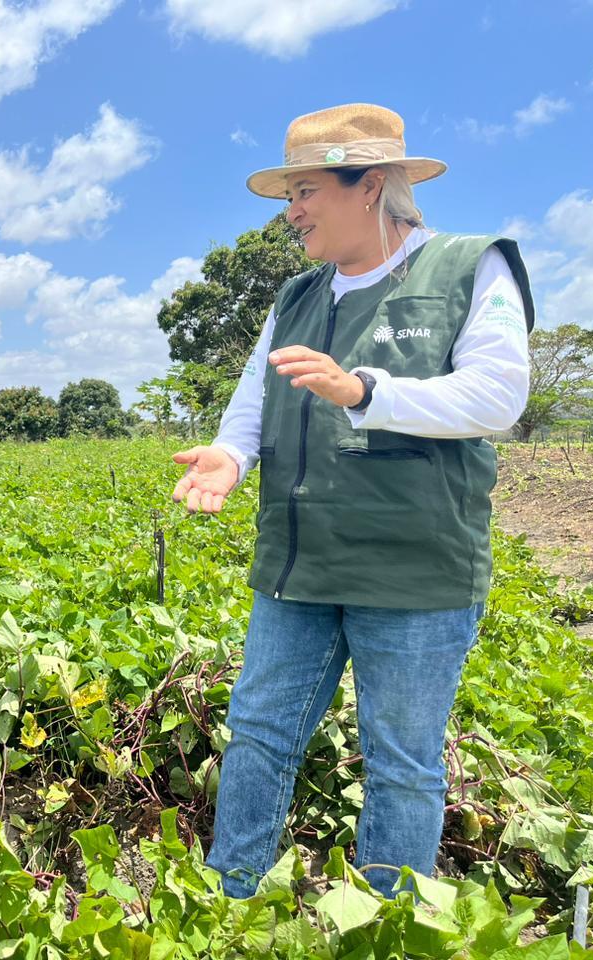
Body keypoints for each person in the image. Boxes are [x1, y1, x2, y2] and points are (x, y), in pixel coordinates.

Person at [171, 104, 533, 897]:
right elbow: (251, 406)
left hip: (414, 574)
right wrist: (229, 459)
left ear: (371, 185)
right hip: (298, 568)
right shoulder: (296, 296)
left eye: (304, 191)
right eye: (286, 195)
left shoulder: (470, 266)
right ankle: (231, 900)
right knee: (261, 734)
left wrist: (366, 389)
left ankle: (388, 921)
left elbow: (499, 395)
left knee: (401, 761)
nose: (291, 211)